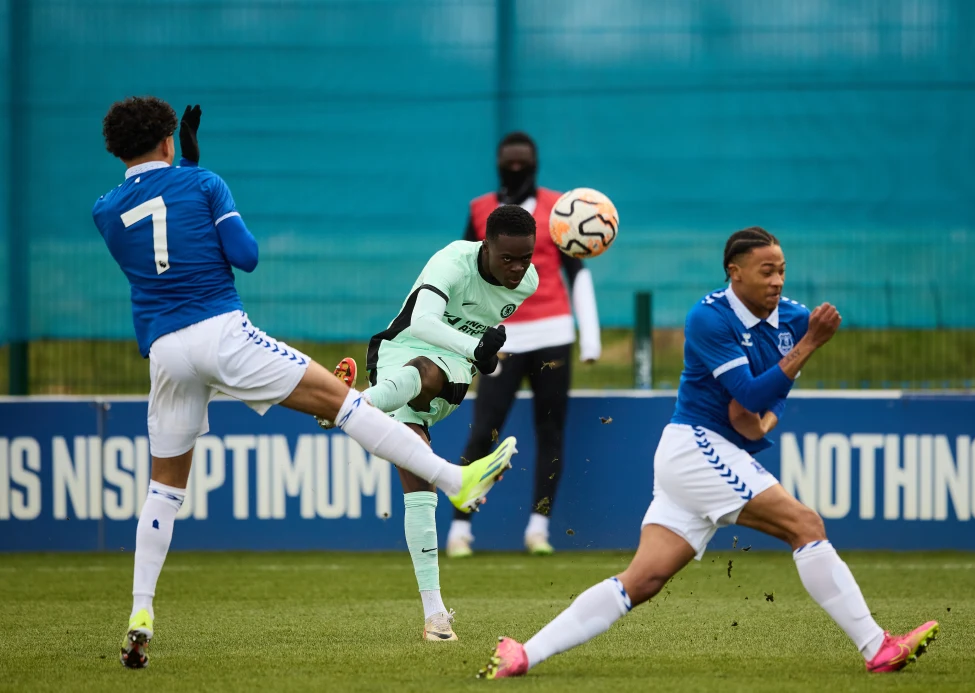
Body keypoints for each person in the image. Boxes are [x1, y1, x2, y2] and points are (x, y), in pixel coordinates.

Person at [92, 97, 517, 669]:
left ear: (117, 150)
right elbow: (246, 256)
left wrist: (185, 174)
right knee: (345, 403)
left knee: (164, 487)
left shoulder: (104, 210)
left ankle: (140, 611)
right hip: (221, 332)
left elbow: (157, 238)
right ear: (169, 140)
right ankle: (454, 480)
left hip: (165, 352)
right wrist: (197, 175)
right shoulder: (205, 183)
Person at [479, 227, 939, 679]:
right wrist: (809, 346)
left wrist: (768, 414)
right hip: (697, 447)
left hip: (702, 454)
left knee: (642, 580)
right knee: (805, 525)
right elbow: (749, 393)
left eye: (781, 270)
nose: (777, 281)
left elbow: (769, 398)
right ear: (734, 273)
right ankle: (877, 647)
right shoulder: (709, 317)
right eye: (766, 271)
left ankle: (524, 655)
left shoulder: (796, 319)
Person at [317, 204, 539, 640]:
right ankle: (436, 617)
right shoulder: (452, 261)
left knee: (428, 372)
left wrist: (482, 354)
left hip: (451, 372)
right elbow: (421, 322)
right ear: (485, 246)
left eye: (525, 258)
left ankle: (345, 405)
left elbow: (479, 344)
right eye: (508, 258)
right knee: (418, 481)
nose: (517, 268)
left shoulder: (527, 284)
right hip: (398, 353)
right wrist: (479, 349)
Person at [446, 132, 601, 558]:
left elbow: (576, 271)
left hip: (554, 334)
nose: (516, 169)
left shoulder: (560, 209)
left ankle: (538, 528)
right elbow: (464, 271)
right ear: (498, 164)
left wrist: (590, 338)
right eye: (509, 162)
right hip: (501, 339)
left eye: (523, 162)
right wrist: (462, 336)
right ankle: (460, 528)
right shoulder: (480, 209)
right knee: (484, 429)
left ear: (535, 164)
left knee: (550, 431)